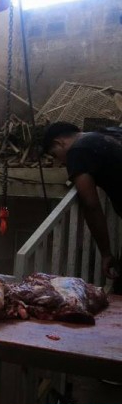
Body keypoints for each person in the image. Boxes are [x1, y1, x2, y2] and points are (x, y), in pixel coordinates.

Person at [42, 121, 122, 292]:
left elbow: (91, 204)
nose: (60, 162)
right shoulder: (110, 133)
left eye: (55, 155)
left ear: (59, 142)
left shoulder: (77, 151)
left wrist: (106, 253)